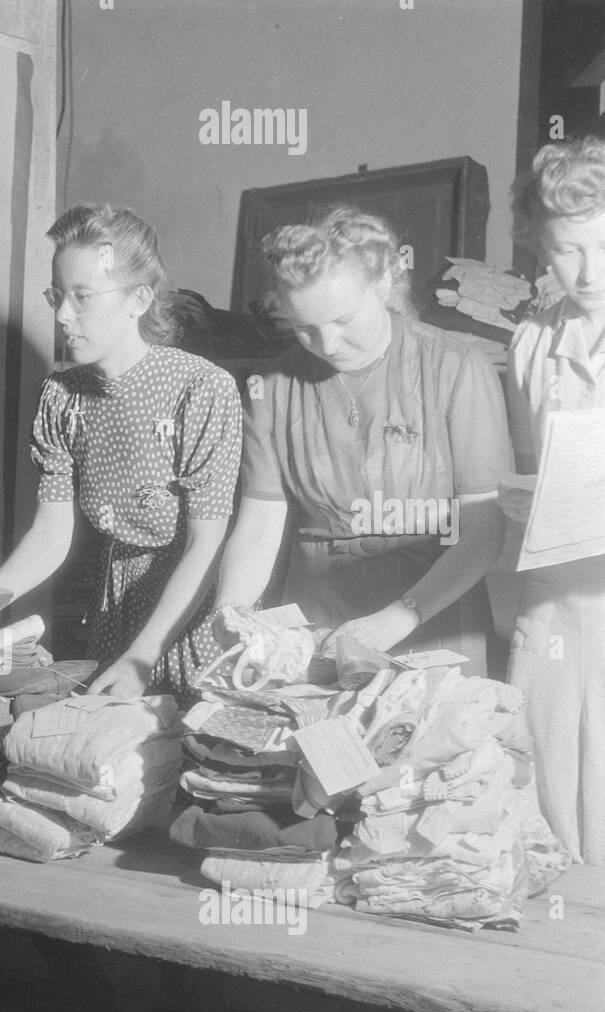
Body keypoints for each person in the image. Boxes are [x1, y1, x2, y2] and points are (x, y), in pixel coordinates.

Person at [214, 207, 510, 673]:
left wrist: (397, 619)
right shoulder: (270, 386)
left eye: (343, 319)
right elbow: (260, 523)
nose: (327, 344)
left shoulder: (456, 368)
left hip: (434, 616)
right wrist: (230, 611)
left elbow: (484, 529)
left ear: (386, 283)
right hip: (317, 624)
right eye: (304, 328)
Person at [0, 204, 242, 702]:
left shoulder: (202, 388)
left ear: (139, 299)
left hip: (194, 609)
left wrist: (144, 656)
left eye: (82, 296)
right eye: (57, 295)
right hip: (113, 607)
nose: (61, 315)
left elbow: (205, 545)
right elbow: (50, 533)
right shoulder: (61, 394)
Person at [502, 137, 605, 864]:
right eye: (568, 250)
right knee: (544, 803)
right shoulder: (530, 345)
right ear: (540, 244)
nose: (590, 272)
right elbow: (520, 466)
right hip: (554, 601)